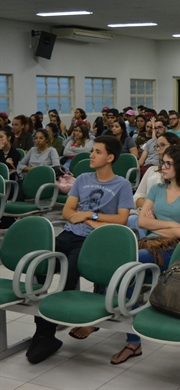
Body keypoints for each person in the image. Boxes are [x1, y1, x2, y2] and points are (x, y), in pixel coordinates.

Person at [26, 136, 135, 364]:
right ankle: (46, 327)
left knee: (68, 275)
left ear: (110, 157)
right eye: (92, 151)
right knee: (40, 267)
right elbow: (67, 211)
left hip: (92, 241)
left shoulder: (121, 185)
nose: (91, 155)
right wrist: (89, 219)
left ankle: (45, 335)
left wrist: (89, 215)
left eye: (97, 152)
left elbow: (122, 219)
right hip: (68, 234)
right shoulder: (83, 178)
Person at [111, 145, 180, 365]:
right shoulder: (157, 189)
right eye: (163, 162)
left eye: (168, 163)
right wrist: (171, 224)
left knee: (131, 263)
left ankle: (132, 339)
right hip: (152, 244)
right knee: (124, 262)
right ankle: (124, 324)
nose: (163, 167)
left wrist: (162, 226)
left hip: (177, 251)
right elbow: (143, 221)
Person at [127, 132, 180, 238]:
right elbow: (137, 196)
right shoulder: (152, 170)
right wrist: (148, 209)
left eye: (162, 145)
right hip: (144, 212)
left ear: (174, 146)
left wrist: (156, 210)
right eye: (157, 146)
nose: (158, 149)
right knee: (132, 220)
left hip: (166, 216)